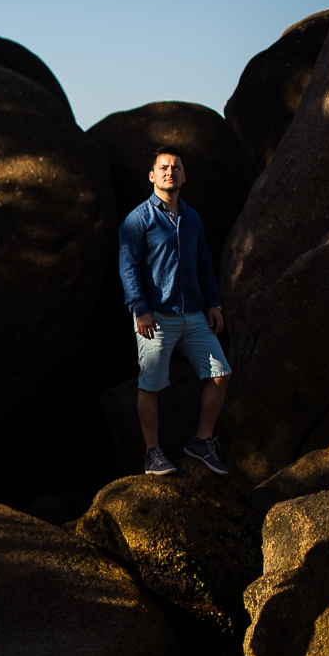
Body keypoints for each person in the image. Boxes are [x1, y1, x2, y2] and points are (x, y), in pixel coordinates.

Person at [118, 146, 232, 476]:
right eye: (164, 167)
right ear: (152, 176)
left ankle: (201, 441)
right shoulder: (138, 219)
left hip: (194, 313)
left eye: (177, 167)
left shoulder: (192, 217)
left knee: (221, 373)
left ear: (184, 175)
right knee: (151, 384)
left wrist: (214, 303)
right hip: (156, 315)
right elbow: (128, 268)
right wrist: (140, 309)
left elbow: (204, 263)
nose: (171, 171)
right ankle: (153, 453)